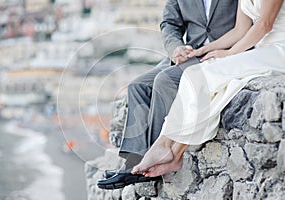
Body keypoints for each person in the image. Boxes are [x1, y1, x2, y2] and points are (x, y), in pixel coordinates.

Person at [131, 0, 285, 178]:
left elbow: (264, 24)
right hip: (260, 52)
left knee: (204, 76)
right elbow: (240, 30)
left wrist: (229, 54)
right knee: (203, 79)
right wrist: (203, 50)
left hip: (278, 51)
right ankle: (174, 154)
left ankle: (164, 145)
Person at [97, 0, 238, 190]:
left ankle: (155, 160)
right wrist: (175, 48)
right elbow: (169, 23)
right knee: (137, 86)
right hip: (190, 53)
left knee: (164, 80)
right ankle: (132, 163)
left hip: (225, 54)